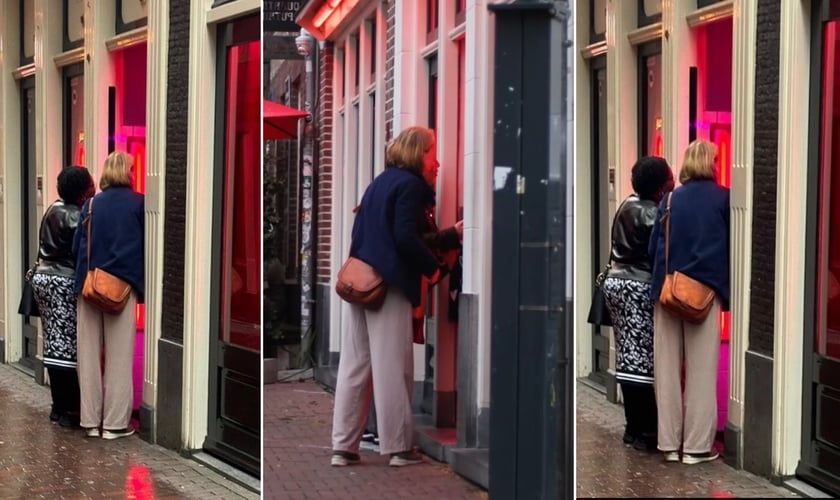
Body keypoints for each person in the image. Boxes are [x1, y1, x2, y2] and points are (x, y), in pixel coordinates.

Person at [331, 126, 442, 468]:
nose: (436, 162)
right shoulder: (410, 187)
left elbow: (362, 230)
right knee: (394, 367)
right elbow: (406, 238)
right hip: (388, 285)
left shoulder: (379, 182)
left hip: (360, 282)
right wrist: (433, 267)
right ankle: (397, 447)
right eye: (432, 152)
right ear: (419, 154)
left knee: (355, 365)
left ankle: (343, 446)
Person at [649, 140, 730, 464]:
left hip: (668, 293)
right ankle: (696, 449)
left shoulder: (669, 200)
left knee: (666, 371)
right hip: (704, 295)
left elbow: (655, 249)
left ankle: (668, 445)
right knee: (701, 372)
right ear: (711, 163)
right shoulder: (725, 199)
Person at [601, 156, 674, 451]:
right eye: (670, 179)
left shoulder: (626, 205)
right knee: (641, 362)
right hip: (638, 286)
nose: (674, 182)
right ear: (660, 188)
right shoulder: (655, 213)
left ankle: (632, 428)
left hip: (616, 283)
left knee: (627, 356)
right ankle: (646, 432)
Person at [73, 151, 145, 440]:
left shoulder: (90, 205)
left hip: (89, 287)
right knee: (119, 357)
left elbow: (78, 247)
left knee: (88, 356)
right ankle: (115, 425)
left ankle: (90, 421)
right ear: (128, 172)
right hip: (121, 289)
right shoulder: (140, 204)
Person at [31, 166, 95, 428]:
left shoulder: (52, 209)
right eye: (90, 185)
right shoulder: (78, 216)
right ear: (83, 191)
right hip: (64, 281)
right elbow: (80, 252)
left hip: (43, 278)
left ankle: (57, 408)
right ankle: (68, 409)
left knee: (53, 342)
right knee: (66, 348)